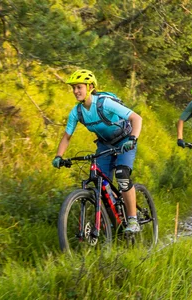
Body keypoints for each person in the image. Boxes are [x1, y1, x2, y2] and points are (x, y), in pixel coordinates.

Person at [52, 69, 144, 233]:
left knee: (122, 175)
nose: (75, 91)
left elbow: (136, 118)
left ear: (90, 87)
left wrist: (132, 139)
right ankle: (113, 221)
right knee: (102, 185)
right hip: (105, 145)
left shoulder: (103, 103)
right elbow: (67, 137)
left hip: (125, 140)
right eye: (73, 88)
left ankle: (132, 219)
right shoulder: (77, 112)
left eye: (79, 87)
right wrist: (59, 156)